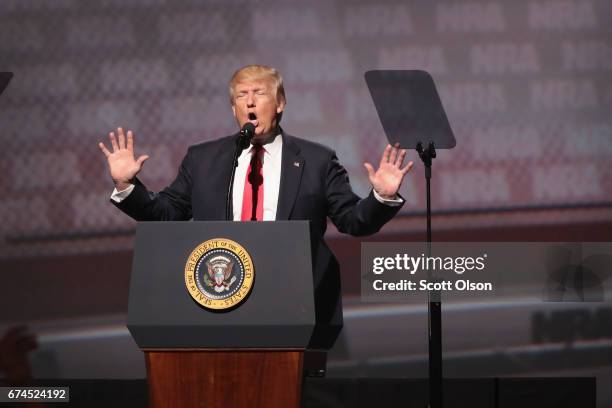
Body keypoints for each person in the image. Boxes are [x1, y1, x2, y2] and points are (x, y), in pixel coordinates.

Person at [98, 64, 413, 348]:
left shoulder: (317, 160)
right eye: (240, 96)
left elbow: (352, 220)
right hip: (217, 298)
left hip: (293, 303)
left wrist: (381, 197)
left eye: (259, 93)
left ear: (279, 103)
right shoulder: (203, 159)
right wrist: (127, 186)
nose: (249, 102)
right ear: (234, 107)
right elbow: (166, 213)